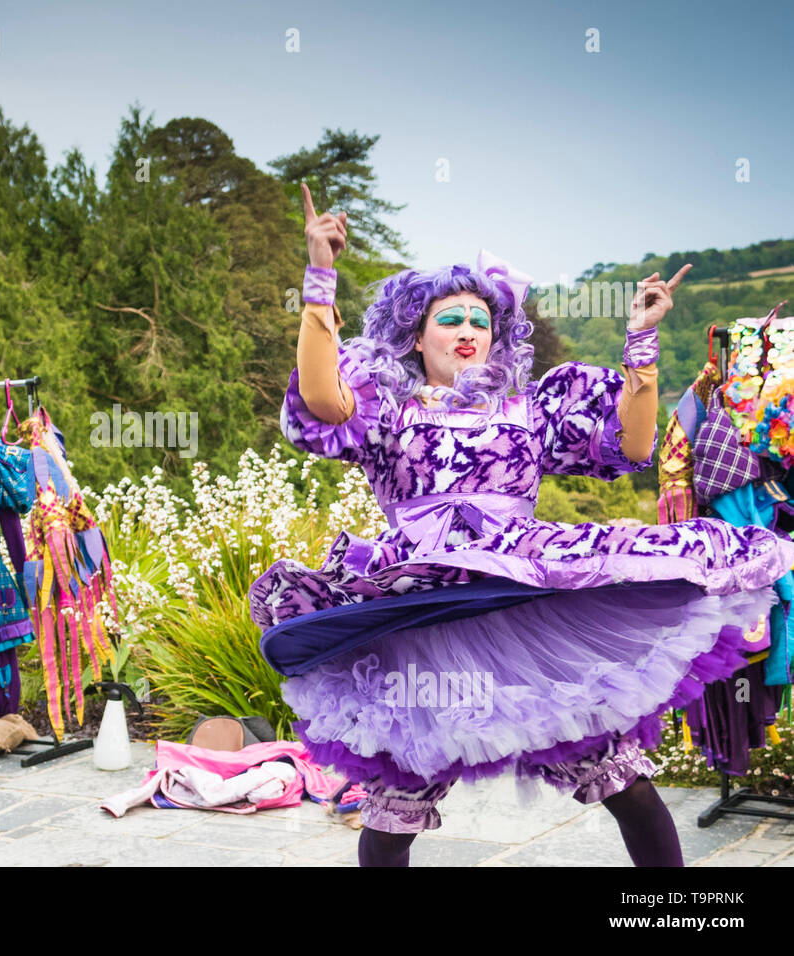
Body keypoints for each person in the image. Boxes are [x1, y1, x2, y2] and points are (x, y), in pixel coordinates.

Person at [250, 184, 794, 867]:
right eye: (451, 319)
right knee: (396, 811)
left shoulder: (531, 409)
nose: (469, 331)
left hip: (527, 614)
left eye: (480, 319)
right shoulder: (386, 409)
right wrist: (320, 276)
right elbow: (321, 398)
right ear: (417, 336)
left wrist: (643, 340)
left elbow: (633, 443)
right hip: (424, 615)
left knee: (622, 782)